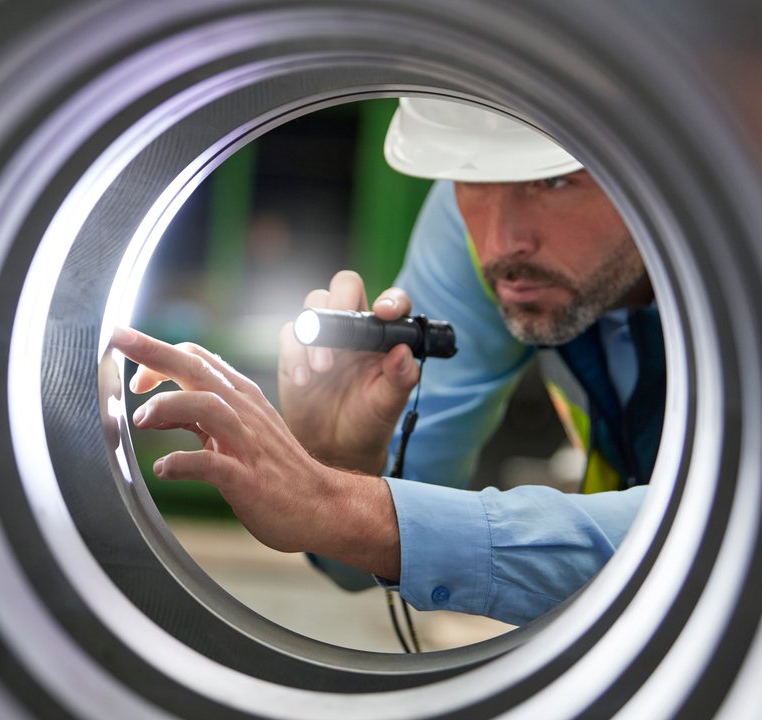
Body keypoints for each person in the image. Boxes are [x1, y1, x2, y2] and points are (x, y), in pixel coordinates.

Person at [110, 98, 663, 626]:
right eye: (471, 182)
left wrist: (344, 507)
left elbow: (723, 537)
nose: (501, 241)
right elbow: (368, 552)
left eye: (554, 181)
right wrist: (341, 462)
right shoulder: (470, 225)